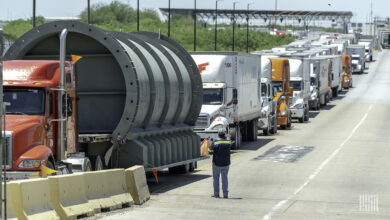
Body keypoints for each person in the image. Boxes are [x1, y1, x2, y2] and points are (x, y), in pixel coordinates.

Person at [208, 129, 232, 199]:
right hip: (226, 164)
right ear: (224, 134)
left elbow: (210, 150)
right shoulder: (228, 142)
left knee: (216, 179)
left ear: (218, 134)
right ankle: (225, 194)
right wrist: (228, 137)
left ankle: (216, 194)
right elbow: (230, 141)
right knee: (224, 179)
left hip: (217, 163)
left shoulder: (215, 142)